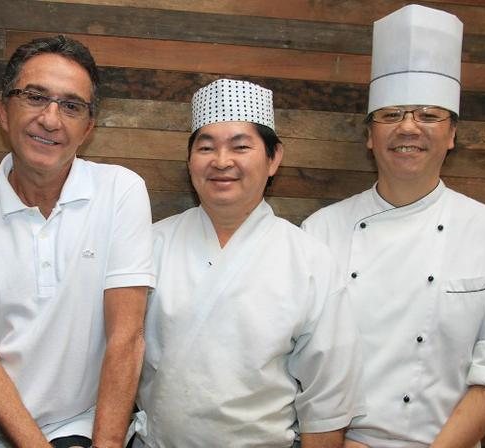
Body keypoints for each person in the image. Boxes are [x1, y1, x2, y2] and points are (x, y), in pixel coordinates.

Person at [0, 35, 154, 448]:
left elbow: (126, 338)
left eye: (71, 106)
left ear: (88, 128)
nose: (51, 119)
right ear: (3, 110)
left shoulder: (121, 192)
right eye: (35, 97)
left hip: (79, 429)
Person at [302, 5, 485, 447]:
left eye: (428, 115)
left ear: (452, 134)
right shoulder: (320, 230)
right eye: (391, 115)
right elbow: (300, 367)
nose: (408, 128)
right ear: (369, 135)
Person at [133, 78, 363, 448]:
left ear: (274, 159)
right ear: (190, 160)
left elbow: (327, 401)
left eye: (240, 147)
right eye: (206, 147)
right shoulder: (149, 245)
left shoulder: (310, 260)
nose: (221, 162)